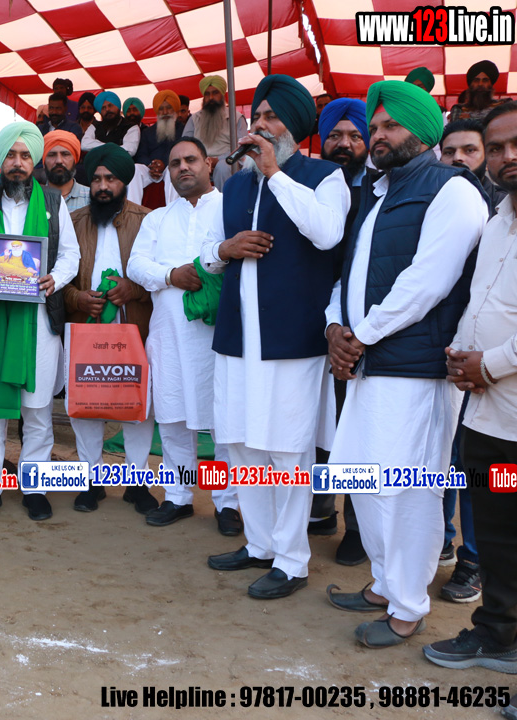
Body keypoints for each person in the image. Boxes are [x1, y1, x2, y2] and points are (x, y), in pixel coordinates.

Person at [324, 80, 487, 648]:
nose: (378, 135)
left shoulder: (454, 191)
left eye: (390, 125)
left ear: (422, 131)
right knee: (365, 482)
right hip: (369, 361)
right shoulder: (376, 192)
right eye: (375, 126)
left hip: (415, 369)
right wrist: (335, 329)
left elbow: (427, 282)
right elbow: (348, 276)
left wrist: (360, 336)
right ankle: (384, 584)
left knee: (408, 490)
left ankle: (409, 606)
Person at [202, 74, 350, 600]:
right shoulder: (234, 183)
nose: (260, 125)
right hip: (238, 339)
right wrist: (225, 250)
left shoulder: (325, 176)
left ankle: (291, 560)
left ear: (296, 126)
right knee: (241, 444)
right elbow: (207, 255)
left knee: (286, 451)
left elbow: (327, 234)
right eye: (257, 116)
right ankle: (260, 544)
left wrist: (275, 173)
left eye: (271, 117)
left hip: (292, 341)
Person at [423, 101, 517, 675]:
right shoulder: (496, 221)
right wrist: (461, 357)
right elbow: (479, 303)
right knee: (499, 534)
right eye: (499, 147)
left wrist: (490, 364)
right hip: (487, 417)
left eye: (515, 144)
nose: (508, 156)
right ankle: (497, 634)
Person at [0, 121, 80, 522]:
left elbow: (71, 255)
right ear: (1, 159)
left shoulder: (52, 202)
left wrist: (54, 279)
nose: (17, 163)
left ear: (34, 161)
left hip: (38, 320)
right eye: (10, 155)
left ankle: (35, 488)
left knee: (38, 410)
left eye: (25, 156)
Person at [126, 137, 241, 535]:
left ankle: (228, 502)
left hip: (219, 335)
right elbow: (136, 265)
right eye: (175, 163)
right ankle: (178, 496)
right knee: (173, 418)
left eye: (190, 160)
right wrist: (171, 275)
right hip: (169, 333)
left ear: (209, 164)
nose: (182, 168)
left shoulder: (230, 208)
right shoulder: (157, 218)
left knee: (223, 422)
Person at [63, 143, 157, 515]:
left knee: (137, 405)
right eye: (98, 179)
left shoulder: (148, 220)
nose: (103, 186)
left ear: (124, 182)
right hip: (86, 327)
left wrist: (133, 289)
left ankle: (137, 482)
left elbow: (161, 277)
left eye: (111, 179)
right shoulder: (73, 221)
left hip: (134, 327)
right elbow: (58, 278)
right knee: (85, 405)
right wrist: (78, 299)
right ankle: (91, 480)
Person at [308, 97, 371, 566]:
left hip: (359, 326)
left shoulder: (379, 191)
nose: (344, 144)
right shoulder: (309, 185)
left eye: (354, 136)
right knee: (318, 421)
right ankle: (321, 509)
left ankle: (359, 528)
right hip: (312, 321)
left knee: (354, 425)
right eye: (335, 136)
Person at [183, 76, 249, 190]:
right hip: (200, 161)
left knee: (223, 167)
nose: (211, 98)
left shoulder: (236, 118)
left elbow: (242, 148)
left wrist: (219, 159)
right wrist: (201, 160)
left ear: (223, 95)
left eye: (215, 93)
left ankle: (225, 201)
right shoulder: (194, 119)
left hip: (227, 161)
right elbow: (185, 144)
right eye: (207, 94)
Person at [441, 118, 509, 209]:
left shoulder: (507, 206)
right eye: (449, 152)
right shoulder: (428, 199)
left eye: (470, 150)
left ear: (488, 159)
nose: (457, 158)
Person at [135, 90, 184, 177]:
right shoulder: (147, 132)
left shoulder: (183, 130)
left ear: (175, 109)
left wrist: (164, 164)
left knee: (172, 170)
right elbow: (141, 155)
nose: (165, 112)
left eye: (169, 108)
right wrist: (152, 165)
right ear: (157, 111)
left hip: (173, 168)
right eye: (161, 109)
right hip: (150, 170)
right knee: (137, 169)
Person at [83, 91, 140, 157]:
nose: (107, 109)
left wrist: (97, 146)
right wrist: (112, 147)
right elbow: (84, 144)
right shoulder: (95, 126)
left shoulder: (131, 127)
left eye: (110, 105)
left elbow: (129, 150)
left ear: (118, 107)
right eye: (103, 108)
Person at [43, 130, 88, 212]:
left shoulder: (91, 198)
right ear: (44, 162)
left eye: (65, 154)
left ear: (75, 160)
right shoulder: (33, 200)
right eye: (52, 155)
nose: (59, 161)